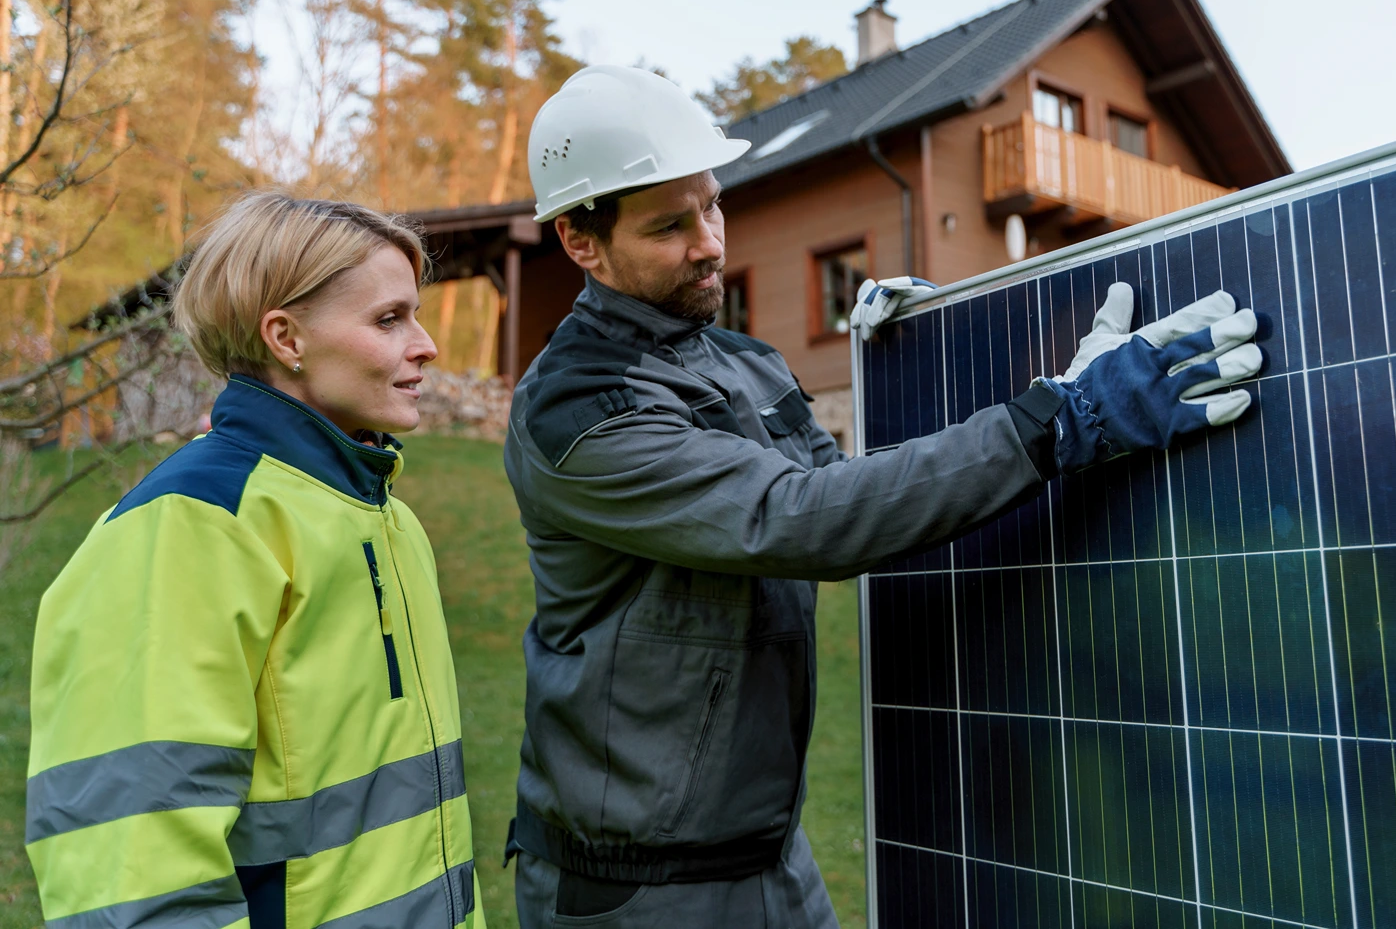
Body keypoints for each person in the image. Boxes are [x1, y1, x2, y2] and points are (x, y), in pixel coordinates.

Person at [502, 66, 1261, 927]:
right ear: (579, 240)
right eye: (671, 225)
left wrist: (937, 356)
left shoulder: (743, 362)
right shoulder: (577, 409)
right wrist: (1061, 417)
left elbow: (859, 495)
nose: (710, 241)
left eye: (711, 204)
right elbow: (798, 519)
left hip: (774, 855)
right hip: (635, 888)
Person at [26, 192, 485, 928]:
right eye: (389, 318)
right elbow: (133, 869)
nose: (426, 343)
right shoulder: (193, 522)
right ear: (286, 337)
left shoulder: (388, 517)